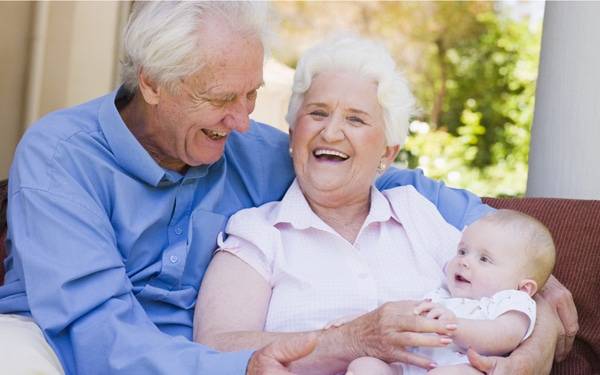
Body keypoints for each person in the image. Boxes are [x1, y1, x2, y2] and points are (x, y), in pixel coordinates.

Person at [0, 2, 575, 374]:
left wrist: (534, 287)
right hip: (61, 344)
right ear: (153, 84)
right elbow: (97, 335)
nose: (245, 120)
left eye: (252, 95)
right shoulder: (60, 158)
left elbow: (379, 175)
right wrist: (253, 362)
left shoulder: (241, 146)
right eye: (224, 98)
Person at [194, 35, 573, 374]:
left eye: (355, 119)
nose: (331, 131)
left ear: (388, 153)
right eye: (317, 113)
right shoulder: (258, 233)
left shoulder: (416, 213)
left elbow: (509, 290)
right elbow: (213, 349)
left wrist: (533, 348)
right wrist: (349, 340)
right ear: (293, 135)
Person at [343, 209, 556, 374]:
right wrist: (356, 323)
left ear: (524, 287)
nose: (464, 261)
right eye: (462, 251)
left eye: (484, 259)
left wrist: (455, 327)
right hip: (410, 365)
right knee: (365, 366)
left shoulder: (511, 300)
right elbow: (399, 316)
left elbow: (504, 336)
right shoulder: (443, 293)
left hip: (464, 366)